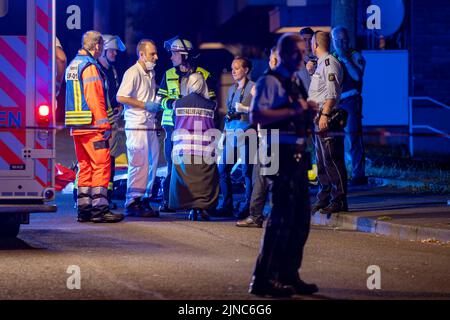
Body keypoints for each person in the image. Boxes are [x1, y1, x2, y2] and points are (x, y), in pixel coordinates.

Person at [249, 33, 318, 297]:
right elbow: (257, 115)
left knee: (300, 219)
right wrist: (294, 111)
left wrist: (307, 113)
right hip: (279, 155)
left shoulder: (294, 82)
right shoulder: (270, 80)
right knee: (279, 219)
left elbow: (297, 112)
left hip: (298, 156)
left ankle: (289, 274)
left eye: (304, 51)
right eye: (298, 52)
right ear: (285, 53)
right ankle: (264, 278)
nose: (303, 56)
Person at [64, 30, 124, 223]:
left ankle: (84, 210)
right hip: (93, 128)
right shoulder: (89, 67)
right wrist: (104, 124)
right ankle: (100, 210)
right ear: (97, 46)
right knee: (101, 166)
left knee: (85, 167)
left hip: (78, 128)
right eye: (102, 48)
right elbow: (94, 99)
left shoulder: (73, 65)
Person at [157, 36, 216, 214]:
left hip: (197, 129)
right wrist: (175, 103)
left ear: (184, 55)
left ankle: (197, 203)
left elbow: (211, 101)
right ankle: (169, 201)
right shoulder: (168, 74)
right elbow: (160, 100)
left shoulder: (203, 75)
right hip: (172, 127)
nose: (171, 57)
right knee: (171, 164)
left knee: (197, 165)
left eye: (174, 53)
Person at [116, 39, 160, 217]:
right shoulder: (132, 73)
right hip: (136, 124)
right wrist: (144, 105)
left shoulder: (150, 72)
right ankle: (132, 200)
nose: (156, 57)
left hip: (148, 123)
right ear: (141, 55)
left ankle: (144, 198)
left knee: (152, 161)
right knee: (138, 162)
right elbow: (121, 97)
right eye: (152, 54)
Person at [169, 73, 219, 221]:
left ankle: (190, 208)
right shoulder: (211, 105)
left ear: (189, 84)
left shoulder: (178, 103)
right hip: (204, 151)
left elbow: (174, 122)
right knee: (206, 182)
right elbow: (216, 125)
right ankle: (203, 208)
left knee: (185, 181)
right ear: (203, 85)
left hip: (183, 151)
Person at [308, 31, 347, 215]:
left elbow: (331, 94)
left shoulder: (329, 63)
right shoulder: (320, 65)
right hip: (318, 118)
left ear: (315, 44)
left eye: (311, 42)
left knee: (332, 160)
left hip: (328, 118)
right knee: (322, 162)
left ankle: (339, 200)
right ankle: (324, 198)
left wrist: (324, 115)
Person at [217, 57, 255, 218]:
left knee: (247, 172)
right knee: (223, 169)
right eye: (232, 68)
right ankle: (227, 204)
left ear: (246, 70)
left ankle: (249, 206)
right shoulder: (232, 90)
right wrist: (223, 135)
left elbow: (258, 111)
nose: (233, 71)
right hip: (232, 133)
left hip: (247, 134)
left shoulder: (254, 88)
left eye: (237, 68)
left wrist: (245, 108)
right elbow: (229, 114)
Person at [331, 26, 367, 186]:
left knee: (353, 137)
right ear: (333, 41)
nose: (341, 43)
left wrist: (345, 59)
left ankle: (358, 174)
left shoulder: (355, 55)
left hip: (351, 101)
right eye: (337, 40)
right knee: (335, 140)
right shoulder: (330, 58)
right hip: (334, 103)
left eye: (344, 39)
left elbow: (357, 77)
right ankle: (339, 173)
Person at [99, 34, 127, 208]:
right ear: (103, 50)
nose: (115, 54)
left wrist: (119, 107)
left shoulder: (112, 70)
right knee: (100, 161)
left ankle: (107, 197)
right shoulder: (96, 70)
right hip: (101, 124)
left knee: (111, 160)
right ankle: (98, 198)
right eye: (112, 51)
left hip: (113, 122)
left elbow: (113, 95)